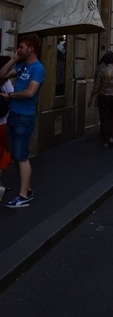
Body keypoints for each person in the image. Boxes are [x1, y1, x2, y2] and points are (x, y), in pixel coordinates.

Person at [0, 34, 46, 208]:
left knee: (22, 157)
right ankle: (27, 190)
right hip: (14, 115)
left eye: (22, 47)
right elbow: (2, 74)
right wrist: (13, 59)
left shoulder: (37, 68)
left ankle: (23, 196)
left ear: (31, 48)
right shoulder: (21, 66)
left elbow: (30, 92)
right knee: (17, 157)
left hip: (24, 117)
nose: (19, 49)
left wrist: (10, 95)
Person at [87, 51, 113, 147]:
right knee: (112, 118)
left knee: (104, 118)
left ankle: (105, 140)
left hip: (104, 96)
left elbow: (96, 86)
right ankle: (111, 137)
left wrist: (91, 98)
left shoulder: (102, 71)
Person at [0, 54, 14, 203]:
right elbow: (12, 95)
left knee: (0, 150)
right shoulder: (5, 81)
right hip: (4, 121)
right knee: (12, 149)